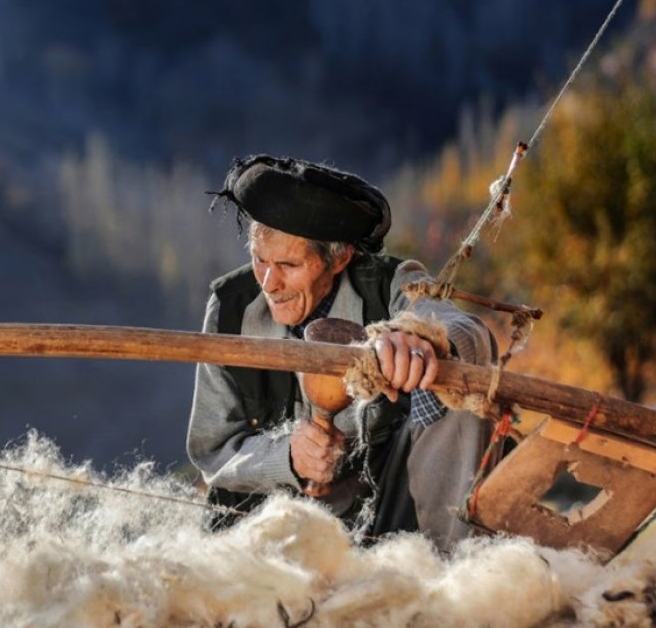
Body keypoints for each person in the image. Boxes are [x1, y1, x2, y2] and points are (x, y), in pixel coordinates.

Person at [186, 155, 495, 551]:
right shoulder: (230, 307)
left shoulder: (388, 285)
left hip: (386, 523)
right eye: (259, 259)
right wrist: (288, 458)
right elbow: (211, 451)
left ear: (339, 258)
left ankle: (443, 568)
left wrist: (415, 335)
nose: (269, 282)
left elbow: (467, 331)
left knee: (456, 382)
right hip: (266, 533)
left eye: (289, 264)